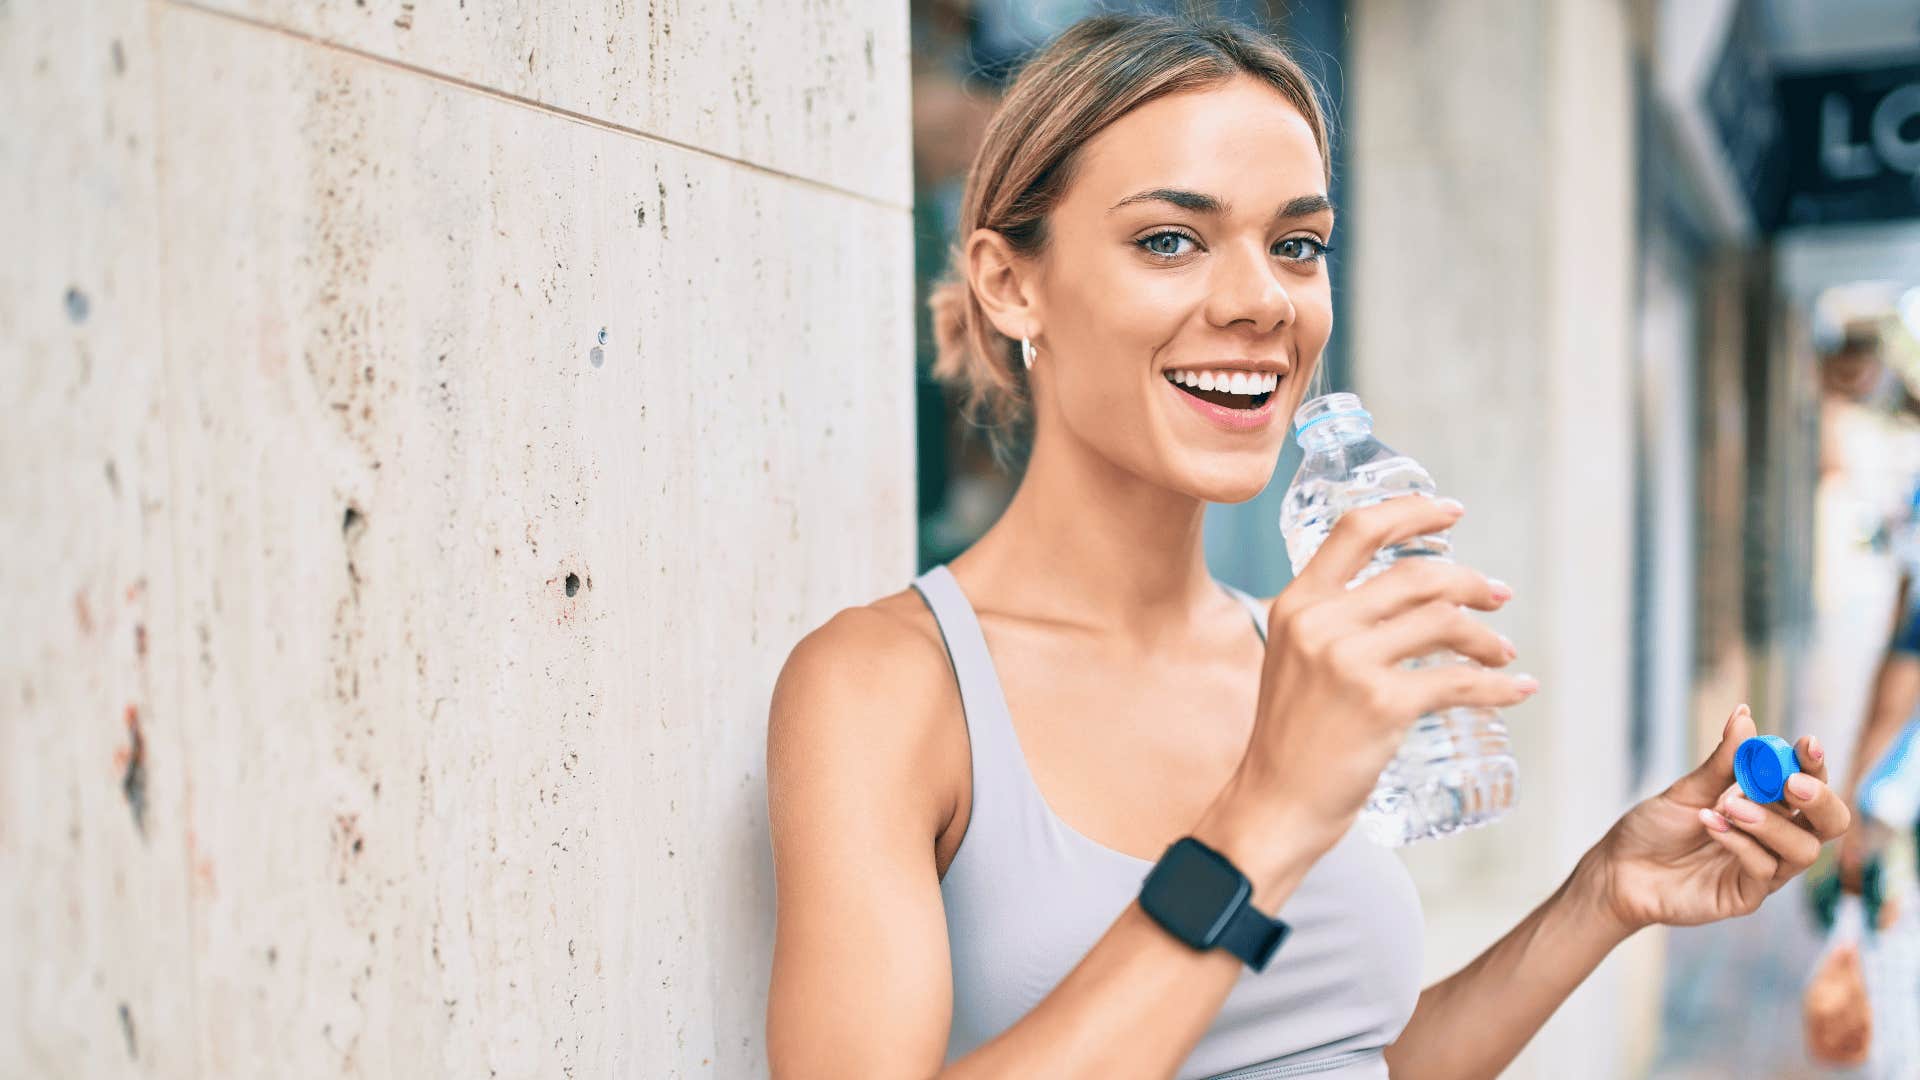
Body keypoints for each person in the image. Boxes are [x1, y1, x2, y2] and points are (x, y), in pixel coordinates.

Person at [763, 15, 1849, 1079]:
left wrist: (1603, 896)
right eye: (1169, 240)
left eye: (1297, 246)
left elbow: (1349, 1062)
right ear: (1011, 283)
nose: (1261, 302)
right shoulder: (885, 689)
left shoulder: (1284, 656)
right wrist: (1263, 819)